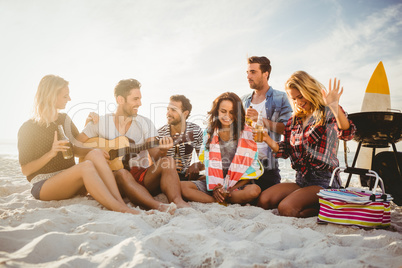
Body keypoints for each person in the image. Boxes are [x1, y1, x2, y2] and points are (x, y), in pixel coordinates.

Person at [18, 74, 140, 214]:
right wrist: (51, 153)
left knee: (95, 153)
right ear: (51, 96)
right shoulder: (28, 128)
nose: (69, 99)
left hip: (71, 180)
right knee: (86, 167)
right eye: (65, 96)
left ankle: (119, 201)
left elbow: (76, 149)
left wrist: (89, 128)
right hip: (44, 185)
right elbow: (26, 170)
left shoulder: (64, 119)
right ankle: (119, 208)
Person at [76, 79, 189, 212]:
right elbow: (75, 148)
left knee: (168, 161)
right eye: (135, 99)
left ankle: (178, 201)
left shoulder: (145, 123)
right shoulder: (100, 122)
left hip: (140, 177)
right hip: (113, 180)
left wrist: (163, 151)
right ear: (120, 99)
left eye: (140, 99)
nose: (139, 103)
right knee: (123, 173)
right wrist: (96, 151)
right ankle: (156, 206)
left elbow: (156, 157)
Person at [256, 71, 356, 218]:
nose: (298, 102)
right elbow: (285, 150)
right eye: (294, 98)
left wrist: (335, 107)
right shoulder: (294, 120)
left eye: (300, 96)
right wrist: (267, 139)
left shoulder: (327, 112)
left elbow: (347, 133)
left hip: (324, 182)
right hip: (301, 180)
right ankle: (317, 205)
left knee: (286, 208)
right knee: (263, 200)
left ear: (309, 91)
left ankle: (331, 207)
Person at [181, 92, 262, 205]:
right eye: (223, 111)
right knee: (182, 187)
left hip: (236, 186)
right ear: (217, 111)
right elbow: (209, 164)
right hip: (215, 185)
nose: (226, 116)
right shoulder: (209, 133)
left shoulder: (247, 134)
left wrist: (228, 190)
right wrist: (216, 189)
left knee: (254, 190)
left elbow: (249, 171)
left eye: (231, 112)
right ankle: (217, 200)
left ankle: (222, 198)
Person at [241, 56, 293, 198]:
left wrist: (260, 119)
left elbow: (288, 128)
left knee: (266, 201)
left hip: (268, 165)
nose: (248, 76)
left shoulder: (281, 97)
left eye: (253, 72)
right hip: (244, 163)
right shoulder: (243, 100)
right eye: (247, 72)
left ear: (266, 74)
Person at [157, 95, 203, 181]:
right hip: (165, 177)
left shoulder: (195, 131)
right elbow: (152, 164)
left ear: (185, 114)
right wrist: (165, 159)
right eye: (168, 109)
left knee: (207, 180)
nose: (168, 113)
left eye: (173, 110)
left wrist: (197, 165)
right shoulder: (159, 133)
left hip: (185, 176)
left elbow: (205, 159)